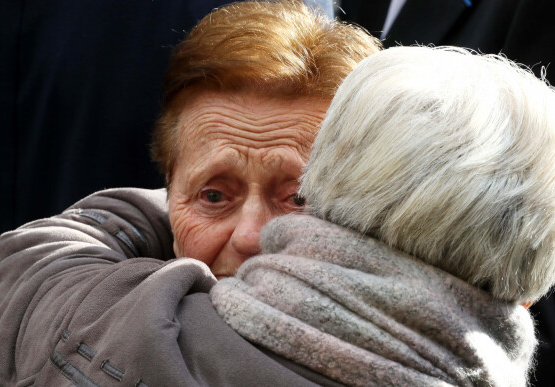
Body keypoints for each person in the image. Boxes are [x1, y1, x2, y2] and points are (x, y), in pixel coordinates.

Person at [0, 1, 381, 385]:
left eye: (297, 199)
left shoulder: (55, 292)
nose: (250, 237)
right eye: (214, 197)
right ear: (169, 192)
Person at [211, 46, 555, 386]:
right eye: (214, 197)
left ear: (317, 183)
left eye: (291, 195)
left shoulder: (166, 331)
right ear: (527, 294)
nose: (249, 234)